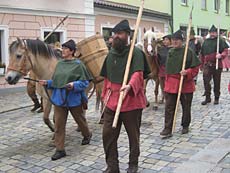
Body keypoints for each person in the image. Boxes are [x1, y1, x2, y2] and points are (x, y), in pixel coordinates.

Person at [100, 19, 150, 173]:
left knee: (133, 136)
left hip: (131, 101)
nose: (116, 36)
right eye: (115, 34)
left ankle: (133, 164)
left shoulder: (136, 53)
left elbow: (138, 73)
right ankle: (112, 166)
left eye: (120, 33)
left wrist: (130, 85)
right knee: (107, 135)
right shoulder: (110, 54)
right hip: (112, 101)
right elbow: (107, 78)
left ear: (128, 35)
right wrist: (104, 96)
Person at [39, 39, 93, 161]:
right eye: (62, 48)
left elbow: (85, 83)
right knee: (58, 125)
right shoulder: (60, 64)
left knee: (80, 120)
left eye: (65, 49)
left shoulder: (79, 65)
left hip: (74, 100)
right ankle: (60, 149)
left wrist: (74, 85)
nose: (62, 51)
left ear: (72, 51)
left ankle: (87, 134)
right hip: (60, 100)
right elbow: (57, 82)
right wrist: (47, 83)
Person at [160, 29, 201, 138]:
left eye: (177, 40)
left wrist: (187, 72)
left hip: (185, 84)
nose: (175, 42)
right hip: (171, 84)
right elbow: (168, 70)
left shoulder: (188, 52)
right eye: (173, 40)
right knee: (169, 107)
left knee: (186, 106)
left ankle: (185, 125)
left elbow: (196, 68)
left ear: (182, 41)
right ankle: (168, 128)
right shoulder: (170, 52)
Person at [200, 25, 229, 105]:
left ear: (216, 33)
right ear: (209, 33)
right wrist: (201, 65)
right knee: (206, 81)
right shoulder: (206, 41)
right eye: (211, 32)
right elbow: (202, 54)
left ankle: (216, 97)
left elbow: (225, 51)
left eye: (214, 32)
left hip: (217, 65)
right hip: (207, 65)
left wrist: (221, 55)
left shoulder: (220, 41)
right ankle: (207, 97)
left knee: (217, 82)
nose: (213, 34)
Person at [157, 34, 172, 101]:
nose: (165, 41)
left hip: (169, 69)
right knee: (162, 84)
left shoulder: (173, 49)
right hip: (161, 68)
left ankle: (169, 98)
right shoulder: (161, 49)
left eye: (166, 40)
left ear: (170, 40)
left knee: (168, 84)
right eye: (164, 40)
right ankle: (164, 96)